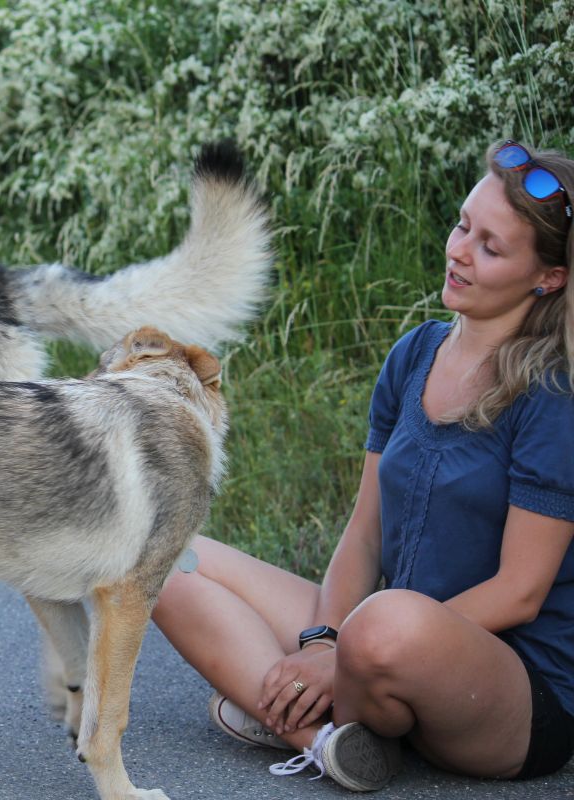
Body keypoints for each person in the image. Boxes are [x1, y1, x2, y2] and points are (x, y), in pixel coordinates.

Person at [152, 139, 574, 791]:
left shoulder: (550, 395)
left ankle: (295, 700)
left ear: (548, 277)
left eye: (491, 247)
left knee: (385, 620)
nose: (459, 250)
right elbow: (365, 533)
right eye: (464, 224)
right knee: (164, 555)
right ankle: (325, 737)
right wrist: (323, 641)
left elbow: (520, 591)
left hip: (508, 689)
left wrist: (347, 648)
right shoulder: (415, 355)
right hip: (383, 640)